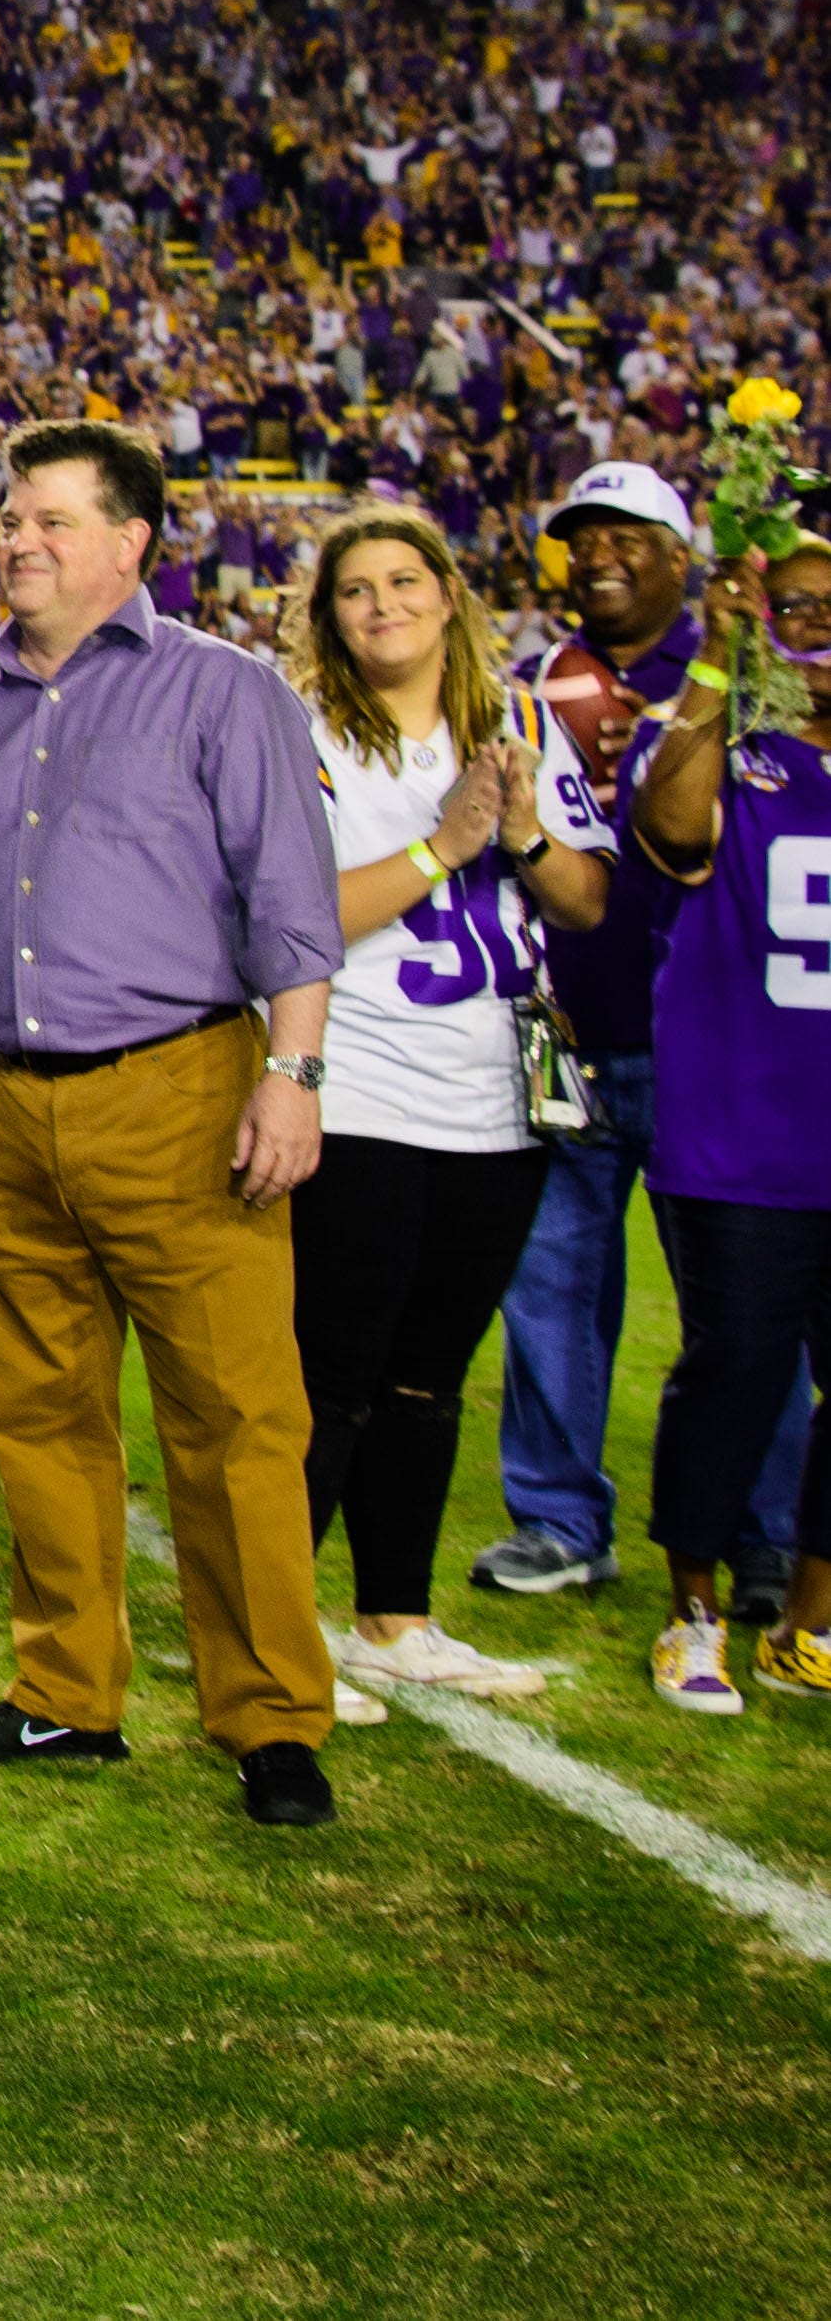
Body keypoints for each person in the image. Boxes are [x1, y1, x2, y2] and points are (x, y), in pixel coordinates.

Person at [0, 418, 350, 1830]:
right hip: (0, 1101)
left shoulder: (220, 691)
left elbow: (290, 901)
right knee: (36, 1415)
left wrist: (287, 1077)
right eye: (8, 517)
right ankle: (63, 1693)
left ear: (128, 543)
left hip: (180, 1086)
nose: (17, 539)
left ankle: (269, 1719)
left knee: (232, 1418)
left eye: (51, 519)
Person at [278, 510, 613, 1707]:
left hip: (496, 1096)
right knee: (332, 1370)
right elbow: (290, 910)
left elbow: (582, 900)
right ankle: (282, 1635)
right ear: (327, 613)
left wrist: (517, 831)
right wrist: (443, 845)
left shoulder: (518, 722)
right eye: (355, 589)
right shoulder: (303, 732)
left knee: (428, 1373)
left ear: (447, 594)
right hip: (360, 1084)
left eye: (402, 581)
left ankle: (393, 1617)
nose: (381, 606)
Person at [484, 465, 811, 1609]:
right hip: (566, 1028)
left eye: (628, 536)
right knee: (549, 1288)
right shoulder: (524, 686)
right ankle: (559, 1517)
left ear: (686, 560)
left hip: (708, 1047)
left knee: (744, 1311)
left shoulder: (755, 676)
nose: (599, 555)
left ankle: (763, 1532)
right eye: (580, 539)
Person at [626, 536, 831, 1713]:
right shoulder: (728, 753)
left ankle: (808, 1622)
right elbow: (670, 827)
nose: (815, 622)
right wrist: (715, 654)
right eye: (793, 606)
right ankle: (692, 1610)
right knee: (734, 1373)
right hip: (741, 1136)